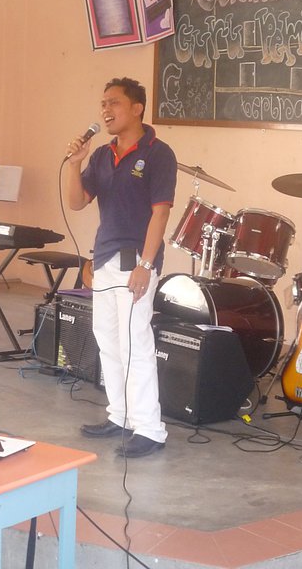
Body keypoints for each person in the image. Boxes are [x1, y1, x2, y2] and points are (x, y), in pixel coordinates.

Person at [66, 77, 177, 458]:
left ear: (137, 108)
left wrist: (146, 264)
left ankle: (150, 428)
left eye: (113, 102)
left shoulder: (159, 153)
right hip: (105, 257)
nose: (106, 111)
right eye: (102, 104)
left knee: (135, 343)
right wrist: (75, 162)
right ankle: (121, 415)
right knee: (107, 339)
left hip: (136, 261)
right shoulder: (101, 156)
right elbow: (77, 202)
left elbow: (160, 214)